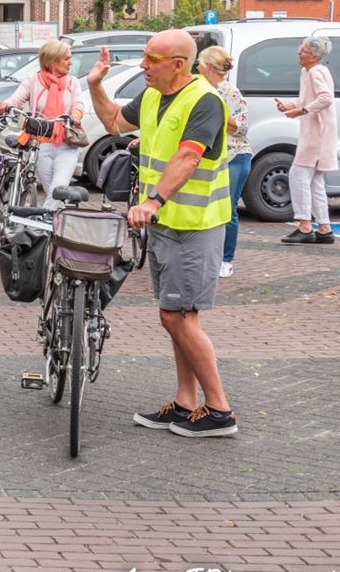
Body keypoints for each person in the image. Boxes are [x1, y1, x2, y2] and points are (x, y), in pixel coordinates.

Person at [88, 31, 237, 438]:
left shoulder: (205, 100)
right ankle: (186, 402)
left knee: (177, 316)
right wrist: (95, 85)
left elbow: (189, 156)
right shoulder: (153, 96)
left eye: (151, 59)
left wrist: (153, 201)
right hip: (165, 225)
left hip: (194, 224)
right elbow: (113, 122)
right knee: (178, 316)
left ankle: (220, 410)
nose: (142, 65)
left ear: (178, 64)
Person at [0, 39, 86, 208]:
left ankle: (44, 221)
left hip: (66, 145)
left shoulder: (72, 82)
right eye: (67, 58)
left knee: (58, 190)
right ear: (52, 62)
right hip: (41, 146)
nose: (71, 62)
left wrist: (75, 115)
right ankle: (56, 221)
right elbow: (15, 99)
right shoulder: (33, 81)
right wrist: (5, 105)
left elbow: (79, 105)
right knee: (52, 192)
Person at [277, 34, 339, 245]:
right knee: (315, 181)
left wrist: (302, 110)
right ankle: (324, 227)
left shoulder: (315, 72)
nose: (299, 52)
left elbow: (325, 98)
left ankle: (304, 226)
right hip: (317, 131)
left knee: (299, 174)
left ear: (314, 56)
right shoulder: (310, 71)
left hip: (316, 132)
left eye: (302, 50)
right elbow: (310, 98)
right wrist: (293, 105)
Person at [198, 46, 251, 276]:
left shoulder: (229, 91)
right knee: (209, 207)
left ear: (209, 66)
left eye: (200, 63)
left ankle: (226, 260)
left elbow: (242, 126)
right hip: (212, 157)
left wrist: (219, 115)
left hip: (234, 156)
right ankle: (209, 255)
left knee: (227, 209)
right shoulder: (199, 88)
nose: (197, 67)